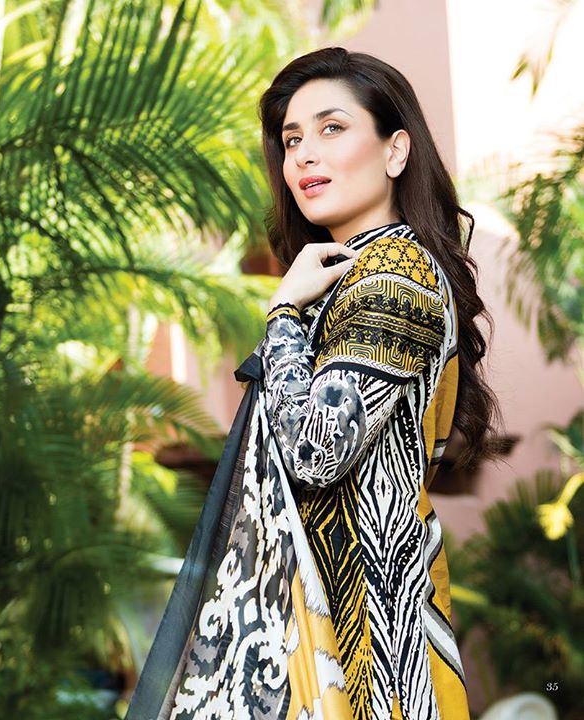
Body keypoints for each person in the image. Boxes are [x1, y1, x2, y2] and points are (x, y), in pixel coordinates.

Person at [124, 47, 505, 720]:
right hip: (340, 619)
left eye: (332, 128)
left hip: (373, 643)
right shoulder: (353, 277)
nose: (303, 155)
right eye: (292, 139)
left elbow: (315, 452)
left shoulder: (392, 278)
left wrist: (281, 315)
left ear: (395, 151)